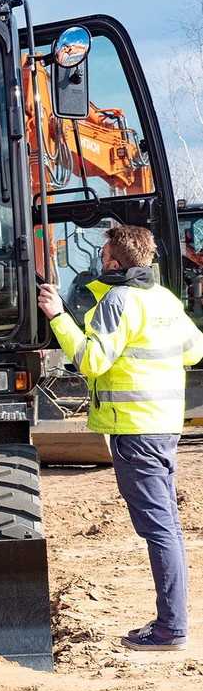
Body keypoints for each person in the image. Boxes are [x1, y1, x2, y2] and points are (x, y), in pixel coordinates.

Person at [38, 225, 203, 650]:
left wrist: (58, 317)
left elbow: (92, 361)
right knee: (166, 526)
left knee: (159, 528)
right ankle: (172, 621)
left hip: (135, 429)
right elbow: (194, 350)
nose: (100, 261)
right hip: (165, 425)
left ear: (114, 262)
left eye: (103, 255)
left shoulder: (118, 299)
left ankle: (172, 628)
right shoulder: (163, 298)